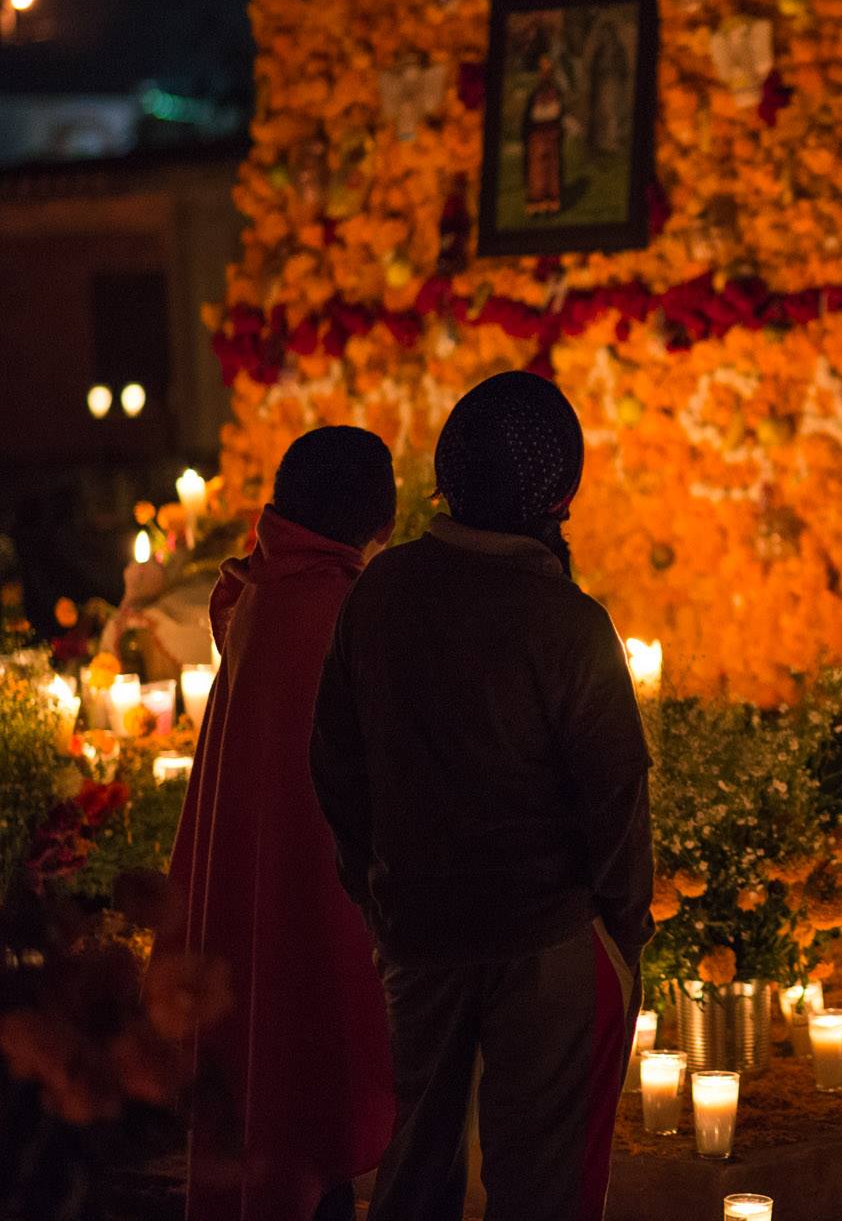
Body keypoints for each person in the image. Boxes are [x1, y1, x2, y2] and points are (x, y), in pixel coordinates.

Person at [311, 371, 652, 1221]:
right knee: (539, 1181)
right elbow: (616, 799)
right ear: (560, 491)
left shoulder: (380, 592)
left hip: (417, 929)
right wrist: (619, 927)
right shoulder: (567, 622)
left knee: (415, 1165)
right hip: (546, 939)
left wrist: (376, 885)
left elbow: (335, 762)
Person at [168, 425, 399, 1221]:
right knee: (311, 1082)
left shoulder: (261, 591)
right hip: (316, 903)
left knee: (273, 1091)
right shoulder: (339, 610)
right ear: (381, 517)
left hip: (263, 890)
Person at [523, 54, 566, 216]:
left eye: (548, 72)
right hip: (537, 136)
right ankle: (536, 201)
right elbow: (530, 116)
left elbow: (558, 112)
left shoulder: (555, 93)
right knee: (537, 169)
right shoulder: (535, 94)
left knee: (552, 168)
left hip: (552, 135)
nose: (545, 75)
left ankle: (551, 201)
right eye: (543, 71)